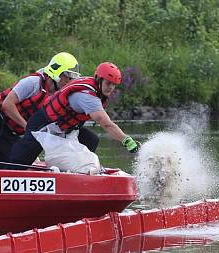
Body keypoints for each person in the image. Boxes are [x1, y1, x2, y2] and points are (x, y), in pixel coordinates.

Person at [0, 52, 91, 168]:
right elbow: (7, 105)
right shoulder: (33, 82)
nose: (70, 81)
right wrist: (28, 128)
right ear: (56, 73)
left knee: (13, 165)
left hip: (9, 133)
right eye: (68, 76)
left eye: (73, 78)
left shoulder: (56, 97)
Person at [7, 62, 140, 171]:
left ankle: (77, 171)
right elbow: (106, 123)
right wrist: (126, 140)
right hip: (42, 126)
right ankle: (5, 173)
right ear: (98, 79)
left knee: (91, 139)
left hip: (63, 128)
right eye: (108, 83)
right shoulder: (88, 96)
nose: (111, 88)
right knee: (20, 162)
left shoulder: (94, 89)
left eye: (114, 85)